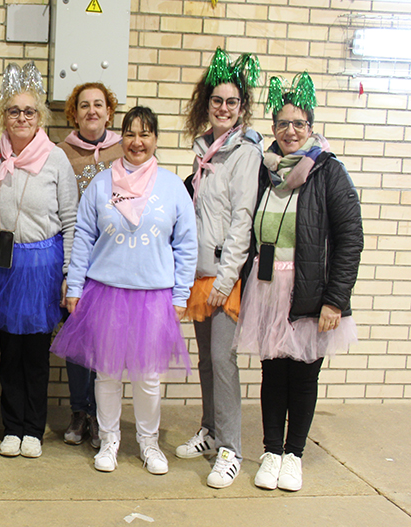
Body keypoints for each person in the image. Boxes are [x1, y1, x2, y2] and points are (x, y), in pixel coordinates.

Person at [51, 106, 197, 476]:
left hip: (153, 295)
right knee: (108, 374)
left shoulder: (172, 186)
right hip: (106, 293)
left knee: (148, 378)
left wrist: (181, 294)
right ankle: (110, 438)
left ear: (156, 140)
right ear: (122, 138)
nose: (137, 142)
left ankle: (148, 443)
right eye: (131, 133)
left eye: (146, 134)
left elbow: (187, 244)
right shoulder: (102, 183)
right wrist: (76, 284)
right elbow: (83, 235)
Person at [237, 72, 362, 493]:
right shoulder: (265, 171)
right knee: (272, 374)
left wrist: (335, 300)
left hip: (309, 290)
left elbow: (349, 240)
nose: (290, 131)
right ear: (273, 129)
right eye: (283, 124)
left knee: (304, 376)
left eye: (299, 124)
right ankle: (271, 452)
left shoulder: (329, 172)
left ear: (311, 128)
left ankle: (294, 456)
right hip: (267, 286)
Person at [176, 49, 262, 489]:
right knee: (206, 361)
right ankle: (210, 431)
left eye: (231, 102)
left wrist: (227, 279)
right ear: (206, 105)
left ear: (241, 108)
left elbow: (242, 220)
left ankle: (232, 447)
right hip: (200, 271)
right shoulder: (204, 150)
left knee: (222, 360)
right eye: (216, 101)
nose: (223, 108)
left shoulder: (244, 153)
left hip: (224, 276)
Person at [0, 62, 78, 459]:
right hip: (4, 265)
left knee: (37, 352)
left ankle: (33, 429)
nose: (21, 118)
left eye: (28, 111)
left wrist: (69, 274)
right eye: (13, 111)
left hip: (42, 266)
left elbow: (72, 220)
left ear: (39, 117)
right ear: (3, 117)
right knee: (8, 349)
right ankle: (12, 425)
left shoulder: (55, 159)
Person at [56, 81, 123, 448]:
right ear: (74, 113)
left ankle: (103, 416)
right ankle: (80, 411)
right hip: (78, 262)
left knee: (106, 344)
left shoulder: (122, 150)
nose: (92, 111)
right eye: (84, 105)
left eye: (99, 105)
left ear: (109, 112)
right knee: (79, 342)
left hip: (114, 264)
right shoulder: (62, 153)